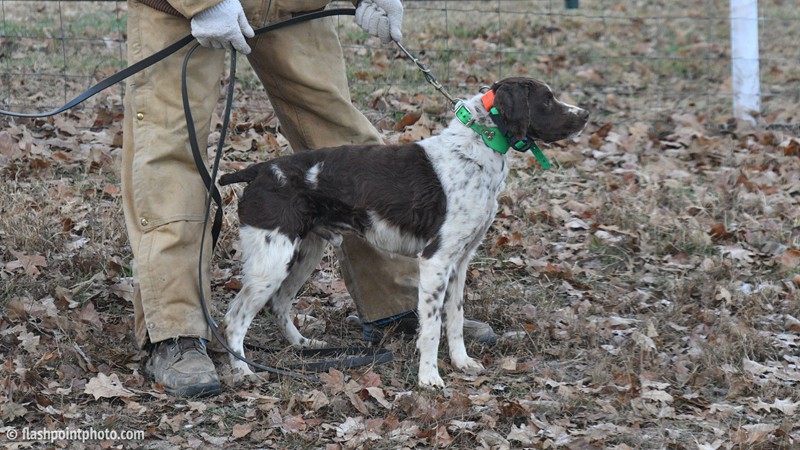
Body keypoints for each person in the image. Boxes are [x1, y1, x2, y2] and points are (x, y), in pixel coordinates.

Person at [122, 0, 497, 397]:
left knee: (347, 143)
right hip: (178, 11)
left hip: (294, 4)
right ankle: (175, 331)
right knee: (170, 156)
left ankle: (394, 301)